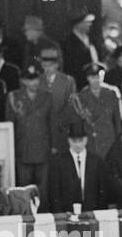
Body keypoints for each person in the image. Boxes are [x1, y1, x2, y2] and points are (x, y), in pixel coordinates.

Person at [7, 61, 51, 197]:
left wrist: (53, 146)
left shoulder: (47, 96)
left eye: (36, 78)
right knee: (24, 189)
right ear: (23, 81)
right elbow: (9, 125)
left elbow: (52, 123)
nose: (34, 83)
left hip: (43, 149)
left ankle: (43, 217)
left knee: (43, 189)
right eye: (29, 79)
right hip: (23, 149)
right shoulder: (13, 97)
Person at [46, 122, 104, 214]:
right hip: (67, 213)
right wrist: (60, 214)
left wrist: (99, 213)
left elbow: (102, 191)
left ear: (86, 140)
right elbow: (54, 192)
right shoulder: (58, 161)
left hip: (92, 212)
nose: (77, 144)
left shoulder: (96, 161)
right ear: (69, 140)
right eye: (74, 141)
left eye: (80, 140)